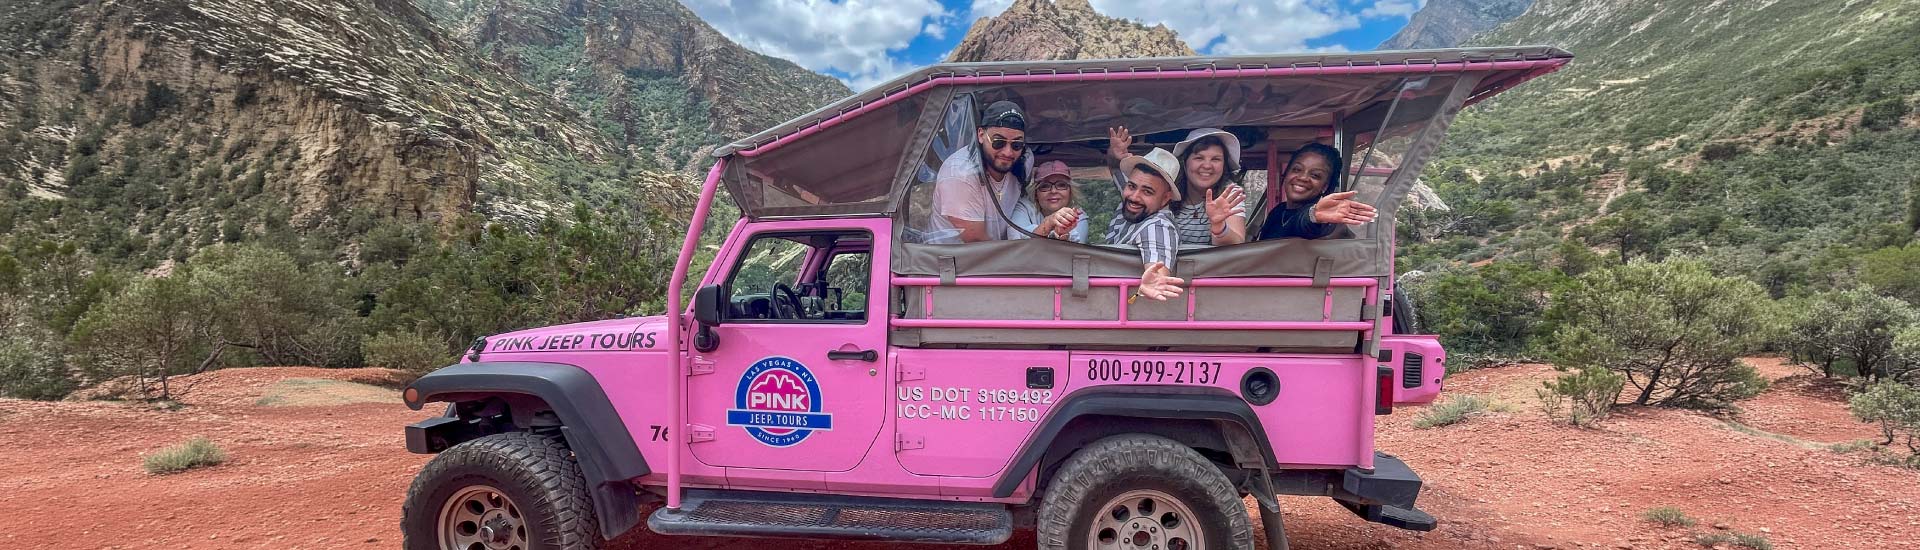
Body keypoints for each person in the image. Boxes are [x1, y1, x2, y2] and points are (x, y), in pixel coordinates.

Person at [1107, 127, 1248, 246]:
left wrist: (1219, 226)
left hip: (1207, 275)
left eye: (1215, 159)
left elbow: (1236, 244)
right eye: (1199, 158)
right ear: (1185, 163)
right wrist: (1115, 155)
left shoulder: (1228, 192)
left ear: (1224, 165)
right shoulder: (1163, 185)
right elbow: (1120, 173)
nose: (1207, 165)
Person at [928, 101, 1030, 243]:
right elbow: (976, 240)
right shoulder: (961, 174)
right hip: (958, 259)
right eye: (998, 142)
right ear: (981, 135)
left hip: (998, 252)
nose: (1008, 152)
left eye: (1016, 144)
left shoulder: (1024, 161)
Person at [1247, 142, 1376, 240]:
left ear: (1325, 186)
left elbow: (1304, 223)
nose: (1303, 178)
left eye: (1315, 175)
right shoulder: (1277, 212)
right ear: (1286, 174)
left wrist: (1313, 215)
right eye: (1297, 169)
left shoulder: (1325, 219)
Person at [1105, 148, 1186, 301]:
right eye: (1131, 186)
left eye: (1147, 192)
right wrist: (1113, 153)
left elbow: (1158, 264)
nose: (1134, 197)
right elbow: (1117, 170)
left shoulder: (1158, 225)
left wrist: (1156, 280)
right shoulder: (1133, 202)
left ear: (1165, 199)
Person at [1008, 160, 1088, 243]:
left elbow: (1075, 249)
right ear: (1036, 193)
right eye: (1045, 186)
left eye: (1061, 185)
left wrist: (1062, 234)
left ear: (1070, 191)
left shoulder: (1077, 215)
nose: (1053, 191)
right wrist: (1048, 223)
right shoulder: (1024, 207)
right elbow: (1016, 241)